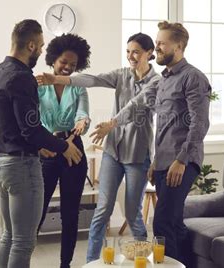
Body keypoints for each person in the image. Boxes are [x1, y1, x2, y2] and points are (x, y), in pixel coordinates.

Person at [37, 33, 160, 263]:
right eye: (128, 51)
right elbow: (93, 80)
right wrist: (59, 79)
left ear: (149, 53)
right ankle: (91, 263)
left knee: (132, 213)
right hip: (113, 152)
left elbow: (136, 105)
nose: (130, 56)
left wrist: (109, 123)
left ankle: (143, 260)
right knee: (101, 212)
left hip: (136, 155)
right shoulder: (122, 75)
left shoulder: (157, 81)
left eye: (136, 51)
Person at [98, 21, 211, 267]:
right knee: (174, 223)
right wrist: (157, 162)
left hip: (182, 161)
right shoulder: (163, 80)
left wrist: (181, 160)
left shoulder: (193, 78)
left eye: (161, 43)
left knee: (162, 223)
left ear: (178, 46)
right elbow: (148, 115)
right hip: (163, 163)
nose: (156, 47)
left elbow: (199, 124)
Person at [0, 19, 82, 268]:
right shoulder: (22, 77)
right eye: (41, 46)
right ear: (31, 45)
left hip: (0, 162)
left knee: (9, 235)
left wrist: (35, 143)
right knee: (24, 242)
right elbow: (32, 129)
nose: (41, 51)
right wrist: (63, 146)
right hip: (22, 168)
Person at [36, 33, 92, 268]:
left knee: (71, 213)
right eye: (63, 62)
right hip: (47, 149)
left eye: (72, 64)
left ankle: (65, 264)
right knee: (37, 209)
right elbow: (33, 120)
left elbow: (83, 114)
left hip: (73, 148)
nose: (67, 67)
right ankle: (22, 256)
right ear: (52, 60)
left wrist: (82, 122)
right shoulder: (38, 85)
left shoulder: (78, 87)